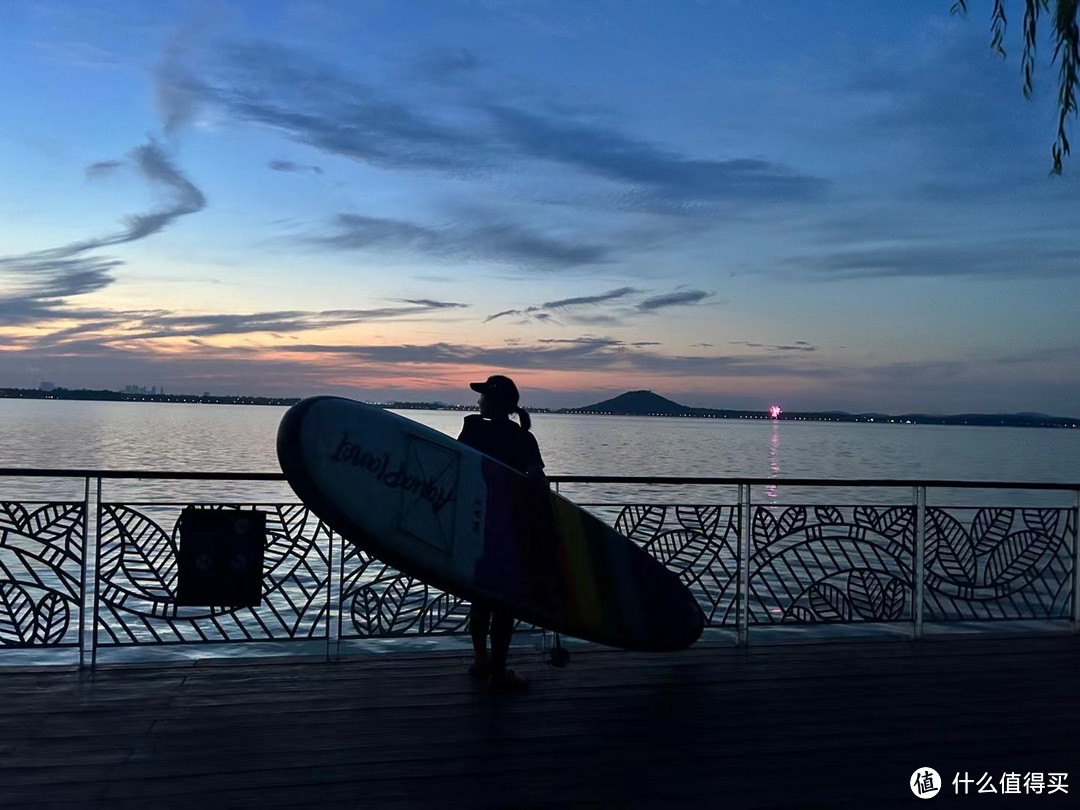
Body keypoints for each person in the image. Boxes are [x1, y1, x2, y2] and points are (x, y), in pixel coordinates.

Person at [457, 374, 546, 691]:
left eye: (483, 397)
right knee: (503, 602)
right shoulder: (523, 438)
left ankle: (481, 660)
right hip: (509, 526)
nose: (478, 401)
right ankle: (497, 669)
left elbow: (457, 467)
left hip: (475, 523)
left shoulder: (472, 429)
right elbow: (537, 478)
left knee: (480, 598)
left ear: (494, 402)